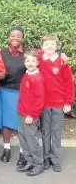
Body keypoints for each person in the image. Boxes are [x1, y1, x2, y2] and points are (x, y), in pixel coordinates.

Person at [38, 34, 74, 172]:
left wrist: (68, 102)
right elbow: (28, 53)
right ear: (42, 47)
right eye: (46, 44)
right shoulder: (39, 60)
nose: (49, 46)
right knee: (45, 132)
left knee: (56, 133)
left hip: (58, 104)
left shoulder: (62, 62)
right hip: (44, 104)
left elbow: (69, 84)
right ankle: (46, 158)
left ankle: (56, 160)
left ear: (57, 46)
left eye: (52, 44)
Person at [0, 27, 28, 166]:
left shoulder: (28, 53)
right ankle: (6, 149)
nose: (15, 38)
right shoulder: (1, 53)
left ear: (22, 38)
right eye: (12, 36)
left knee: (21, 123)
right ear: (8, 38)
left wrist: (61, 55)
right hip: (5, 91)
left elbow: (46, 53)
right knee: (6, 122)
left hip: (22, 92)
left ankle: (22, 152)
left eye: (18, 36)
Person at [16, 50, 45, 176]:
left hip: (30, 116)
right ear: (24, 63)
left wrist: (32, 115)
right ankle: (29, 161)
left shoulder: (37, 78)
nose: (30, 63)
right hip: (22, 113)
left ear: (37, 62)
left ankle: (38, 164)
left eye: (33, 61)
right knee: (23, 138)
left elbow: (39, 100)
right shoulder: (26, 75)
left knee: (32, 140)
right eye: (28, 61)